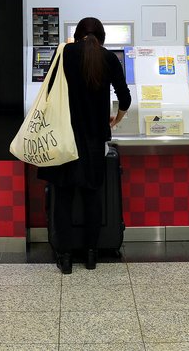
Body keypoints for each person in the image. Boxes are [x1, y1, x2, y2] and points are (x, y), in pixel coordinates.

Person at [38, 17, 131, 274]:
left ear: (77, 35)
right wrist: (115, 120)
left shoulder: (64, 53)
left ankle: (66, 257)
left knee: (63, 198)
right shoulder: (109, 58)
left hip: (64, 138)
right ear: (102, 38)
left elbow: (48, 91)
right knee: (92, 197)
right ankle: (91, 255)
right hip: (94, 140)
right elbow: (125, 97)